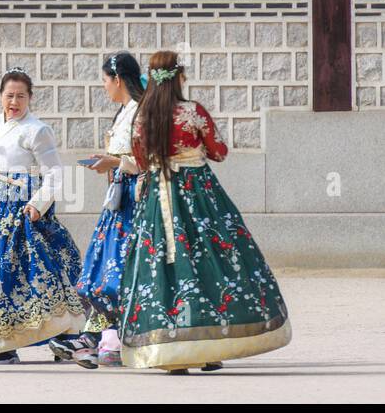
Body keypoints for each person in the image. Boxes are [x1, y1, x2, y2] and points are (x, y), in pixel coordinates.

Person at [118, 50, 291, 373]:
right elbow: (219, 151)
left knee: (163, 267)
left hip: (159, 196)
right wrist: (193, 152)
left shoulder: (143, 118)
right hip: (198, 196)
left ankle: (170, 350)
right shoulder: (192, 112)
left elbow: (141, 162)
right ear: (179, 77)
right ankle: (211, 346)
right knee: (211, 261)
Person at [0, 67, 84, 363]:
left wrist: (37, 204)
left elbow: (54, 172)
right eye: (9, 96)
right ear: (0, 96)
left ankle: (65, 334)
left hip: (21, 207)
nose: (14, 102)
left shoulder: (37, 130)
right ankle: (1, 341)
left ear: (30, 98)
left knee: (26, 269)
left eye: (20, 96)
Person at [56, 51, 144, 367]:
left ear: (118, 79)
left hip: (135, 201)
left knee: (119, 266)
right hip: (118, 198)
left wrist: (116, 162)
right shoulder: (124, 112)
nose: (105, 87)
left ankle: (111, 335)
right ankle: (101, 334)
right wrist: (108, 162)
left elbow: (147, 160)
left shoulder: (140, 112)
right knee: (104, 263)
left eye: (105, 81)